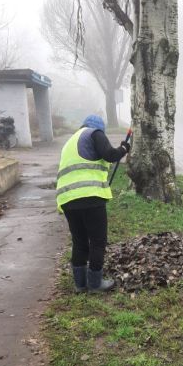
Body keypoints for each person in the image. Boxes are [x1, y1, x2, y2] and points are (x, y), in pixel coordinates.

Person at [56, 114, 131, 292]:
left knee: (80, 241)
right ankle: (95, 283)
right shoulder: (94, 133)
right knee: (98, 241)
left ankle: (80, 284)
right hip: (89, 196)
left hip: (67, 198)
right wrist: (123, 148)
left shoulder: (71, 141)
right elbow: (110, 155)